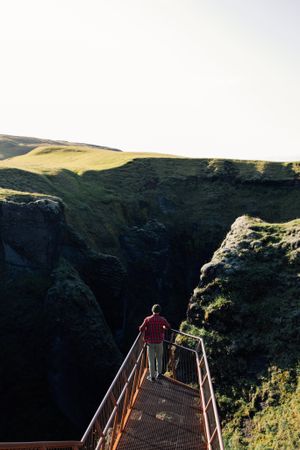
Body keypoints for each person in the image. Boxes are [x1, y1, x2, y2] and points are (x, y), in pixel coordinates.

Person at [139, 304, 171, 381]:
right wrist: (163, 327)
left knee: (151, 360)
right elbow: (168, 327)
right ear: (159, 311)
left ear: (152, 310)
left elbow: (141, 329)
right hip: (159, 342)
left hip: (150, 343)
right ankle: (159, 374)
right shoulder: (162, 319)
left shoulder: (147, 319)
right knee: (159, 358)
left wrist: (146, 328)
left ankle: (152, 376)